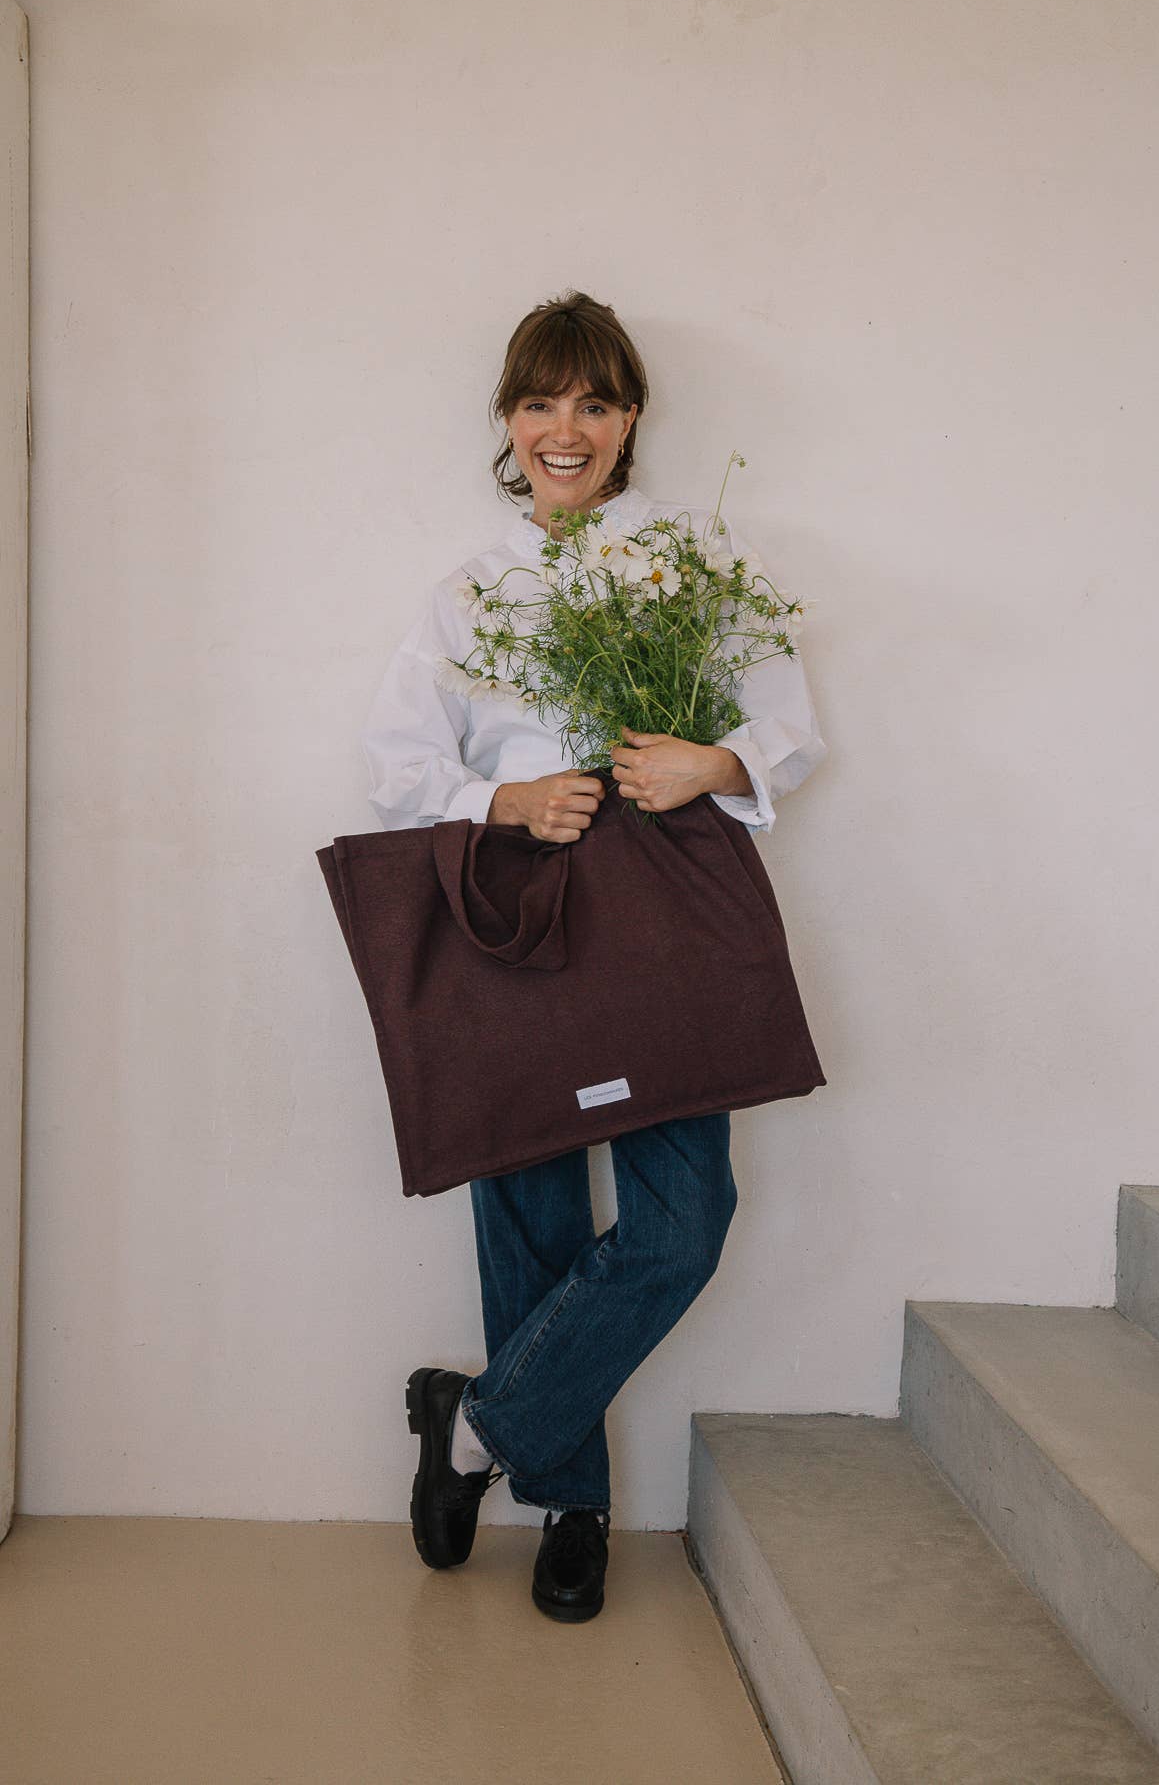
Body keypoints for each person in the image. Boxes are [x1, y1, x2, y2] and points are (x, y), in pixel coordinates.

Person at [361, 288, 827, 1622]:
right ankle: (571, 1502)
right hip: (509, 913)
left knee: (684, 1226)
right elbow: (398, 768)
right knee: (534, 1216)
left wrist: (712, 759)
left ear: (632, 419)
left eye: (595, 403)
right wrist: (502, 804)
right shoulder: (468, 594)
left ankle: (475, 1428)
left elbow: (790, 721)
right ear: (509, 422)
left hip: (661, 911)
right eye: (541, 402)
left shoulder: (687, 561)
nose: (567, 430)